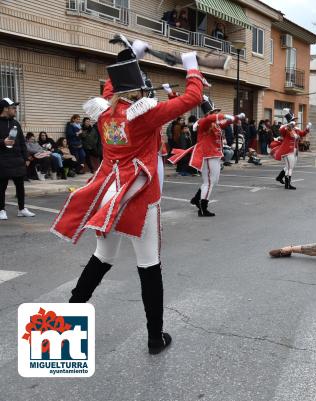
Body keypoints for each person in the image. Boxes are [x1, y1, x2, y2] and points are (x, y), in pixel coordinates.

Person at [51, 39, 205, 354]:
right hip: (138, 194)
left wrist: (134, 53)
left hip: (109, 193)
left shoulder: (105, 110)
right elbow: (194, 97)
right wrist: (191, 66)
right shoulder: (144, 115)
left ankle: (67, 320)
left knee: (102, 257)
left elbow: (111, 85)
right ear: (139, 90)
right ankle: (154, 337)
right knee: (149, 264)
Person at [169, 96, 243, 217]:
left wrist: (234, 119)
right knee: (208, 182)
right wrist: (228, 116)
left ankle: (196, 198)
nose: (216, 114)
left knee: (213, 181)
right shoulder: (204, 122)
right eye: (214, 112)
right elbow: (213, 118)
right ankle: (202, 208)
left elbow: (224, 123)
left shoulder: (214, 123)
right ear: (209, 113)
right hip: (208, 155)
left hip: (215, 154)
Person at [0, 98, 35, 220]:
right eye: (13, 107)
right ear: (5, 108)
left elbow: (21, 142)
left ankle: (22, 209)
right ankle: (1, 210)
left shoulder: (16, 123)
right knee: (2, 186)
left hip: (17, 159)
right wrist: (2, 142)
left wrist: (26, 158)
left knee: (20, 186)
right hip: (2, 159)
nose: (15, 110)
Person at [271, 108, 311, 190]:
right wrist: (289, 125)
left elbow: (302, 134)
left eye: (295, 120)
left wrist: (307, 129)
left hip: (295, 151)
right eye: (294, 120)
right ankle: (287, 184)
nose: (295, 121)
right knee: (289, 168)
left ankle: (283, 180)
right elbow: (281, 130)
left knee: (290, 167)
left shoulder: (295, 129)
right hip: (288, 151)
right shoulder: (286, 128)